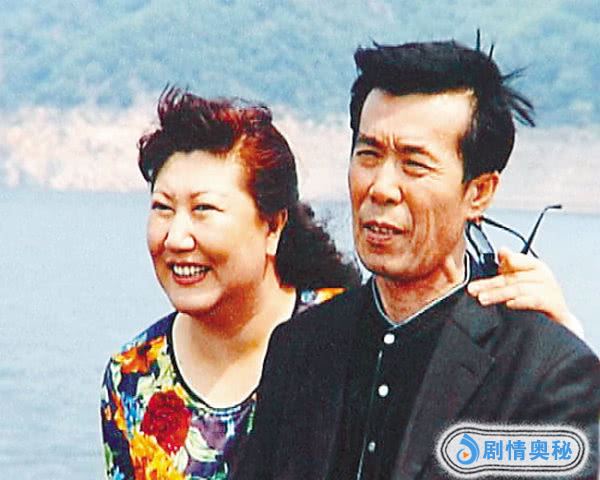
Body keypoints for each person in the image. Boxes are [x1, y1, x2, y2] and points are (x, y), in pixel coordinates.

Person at [101, 88, 582, 480]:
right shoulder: (134, 376)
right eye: (162, 208)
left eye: (204, 209)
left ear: (273, 226)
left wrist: (560, 346)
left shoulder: (343, 334)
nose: (177, 238)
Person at [232, 41, 600, 480]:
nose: (381, 188)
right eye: (368, 155)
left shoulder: (545, 372)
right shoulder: (299, 347)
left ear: (478, 192)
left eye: (414, 164)